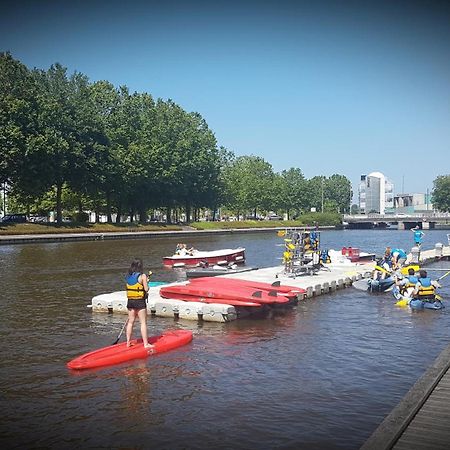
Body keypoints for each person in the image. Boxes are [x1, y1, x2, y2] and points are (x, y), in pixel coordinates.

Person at [125, 258, 153, 349]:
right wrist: (146, 282)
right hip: (140, 301)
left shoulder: (128, 276)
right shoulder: (143, 276)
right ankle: (146, 344)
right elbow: (146, 289)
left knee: (130, 322)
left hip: (130, 301)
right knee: (143, 323)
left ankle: (128, 342)